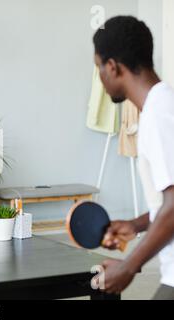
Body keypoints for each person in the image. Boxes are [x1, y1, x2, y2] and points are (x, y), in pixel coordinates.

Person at [92, 16, 174, 299]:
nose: (100, 78)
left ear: (112, 67)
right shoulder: (162, 106)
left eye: (98, 68)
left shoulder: (159, 114)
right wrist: (136, 225)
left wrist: (128, 267)